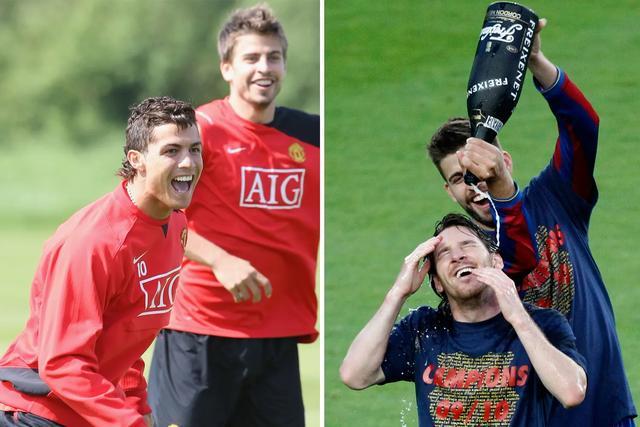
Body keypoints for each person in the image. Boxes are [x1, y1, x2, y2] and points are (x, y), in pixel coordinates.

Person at [427, 18, 636, 426]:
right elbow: (517, 255)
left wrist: (537, 62)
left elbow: (583, 128)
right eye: (459, 179)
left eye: (479, 167)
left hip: (605, 408)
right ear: (449, 192)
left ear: (504, 159)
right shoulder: (463, 257)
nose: (475, 184)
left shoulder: (557, 195)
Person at [148, 4, 319, 427]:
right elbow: (150, 211)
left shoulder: (314, 135)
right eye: (251, 57)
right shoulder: (199, 132)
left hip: (278, 334)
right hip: (199, 331)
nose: (264, 67)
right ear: (227, 67)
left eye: (273, 57)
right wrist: (220, 260)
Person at [0, 96, 203, 427]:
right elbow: (62, 363)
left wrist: (137, 404)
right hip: (37, 413)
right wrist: (128, 422)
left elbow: (127, 331)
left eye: (194, 149)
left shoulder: (175, 224)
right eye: (171, 151)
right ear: (136, 160)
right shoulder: (95, 241)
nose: (188, 162)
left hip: (89, 413)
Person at [340, 213, 587, 426]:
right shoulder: (424, 329)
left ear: (496, 261)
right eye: (444, 253)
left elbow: (572, 392)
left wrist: (519, 318)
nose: (458, 256)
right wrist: (397, 294)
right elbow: (355, 375)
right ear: (438, 282)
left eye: (467, 245)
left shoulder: (541, 324)